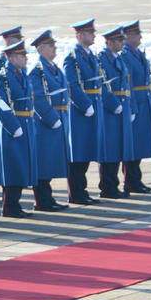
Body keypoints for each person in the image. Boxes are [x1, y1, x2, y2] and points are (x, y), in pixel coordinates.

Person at [0, 40, 38, 217]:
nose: (25, 58)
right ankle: (9, 206)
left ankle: (15, 204)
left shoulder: (20, 74)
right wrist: (13, 126)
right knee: (13, 167)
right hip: (13, 127)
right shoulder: (4, 76)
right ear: (12, 58)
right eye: (22, 55)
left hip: (25, 124)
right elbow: (1, 104)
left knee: (21, 167)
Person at [28, 30, 70, 212]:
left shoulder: (53, 68)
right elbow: (37, 98)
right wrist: (51, 118)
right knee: (44, 163)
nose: (55, 48)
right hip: (46, 123)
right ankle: (42, 200)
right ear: (42, 49)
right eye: (51, 45)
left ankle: (48, 198)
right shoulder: (37, 72)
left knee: (51, 162)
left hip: (58, 118)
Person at [63, 19, 104, 205]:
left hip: (92, 106)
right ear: (80, 36)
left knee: (87, 150)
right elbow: (71, 84)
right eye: (90, 33)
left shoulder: (89, 55)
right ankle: (76, 192)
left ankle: (82, 190)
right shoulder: (72, 57)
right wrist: (84, 104)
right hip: (81, 110)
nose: (94, 35)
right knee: (78, 152)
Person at [97, 25, 135, 199]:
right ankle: (107, 187)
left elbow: (127, 85)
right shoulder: (102, 59)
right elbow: (101, 86)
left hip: (122, 107)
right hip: (110, 110)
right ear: (109, 42)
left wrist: (131, 107)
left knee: (119, 148)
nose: (122, 43)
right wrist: (113, 104)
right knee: (109, 149)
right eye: (119, 40)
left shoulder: (118, 59)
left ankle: (114, 185)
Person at [120, 21, 151, 193]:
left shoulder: (137, 53)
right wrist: (132, 107)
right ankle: (131, 181)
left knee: (140, 144)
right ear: (128, 36)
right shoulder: (126, 56)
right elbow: (129, 84)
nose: (141, 36)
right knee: (132, 145)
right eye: (137, 34)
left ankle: (136, 179)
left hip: (144, 102)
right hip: (136, 103)